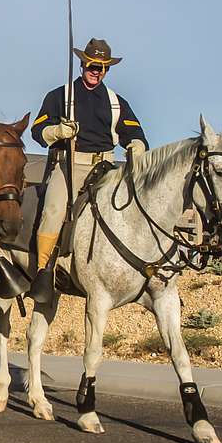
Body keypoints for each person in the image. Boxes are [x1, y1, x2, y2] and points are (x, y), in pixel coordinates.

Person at [29, 38, 148, 302]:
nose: (96, 71)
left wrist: (137, 145)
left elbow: (134, 131)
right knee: (54, 209)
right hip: (71, 164)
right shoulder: (59, 96)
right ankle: (43, 271)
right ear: (83, 64)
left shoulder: (117, 102)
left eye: (102, 67)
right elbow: (37, 130)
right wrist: (57, 131)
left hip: (106, 166)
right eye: (92, 65)